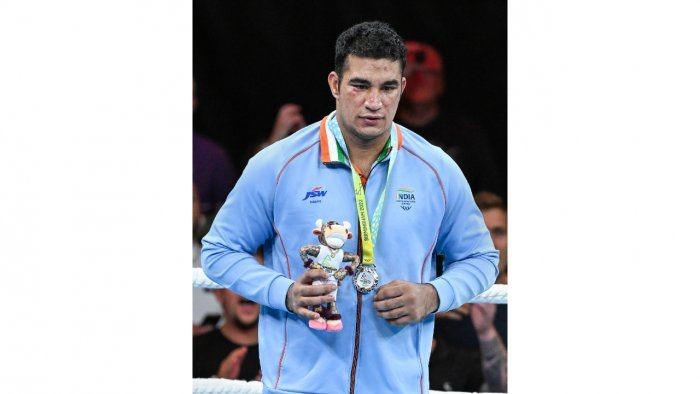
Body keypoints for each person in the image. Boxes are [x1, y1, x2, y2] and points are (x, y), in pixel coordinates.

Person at [202, 21, 498, 394]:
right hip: (298, 386)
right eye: (360, 85)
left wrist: (433, 295)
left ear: (403, 88)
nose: (374, 101)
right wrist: (284, 292)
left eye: (388, 87)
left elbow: (481, 259)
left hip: (398, 387)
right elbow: (218, 251)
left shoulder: (436, 169)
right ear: (335, 85)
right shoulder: (277, 164)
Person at [396, 40, 505, 198]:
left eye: (428, 73)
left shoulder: (467, 134)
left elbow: (490, 194)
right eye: (410, 73)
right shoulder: (380, 131)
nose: (419, 80)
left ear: (441, 83)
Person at [193, 288, 262, 380]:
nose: (246, 290)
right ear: (218, 293)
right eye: (235, 281)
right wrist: (220, 385)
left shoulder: (284, 354)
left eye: (255, 280)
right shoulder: (194, 351)